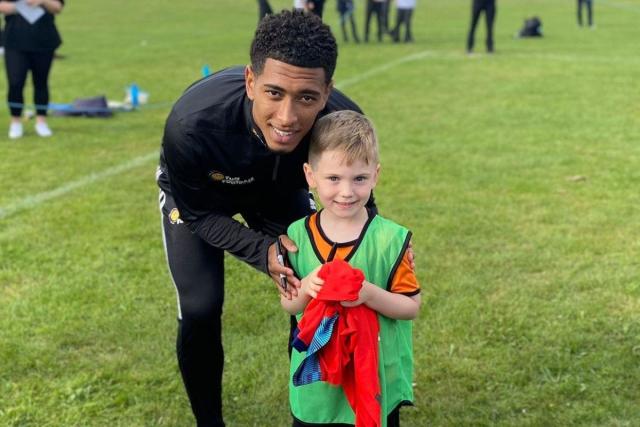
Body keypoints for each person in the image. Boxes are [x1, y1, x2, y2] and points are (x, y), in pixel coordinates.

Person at [157, 10, 367, 427]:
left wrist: (382, 246)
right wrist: (260, 250)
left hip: (278, 191)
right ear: (251, 82)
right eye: (273, 92)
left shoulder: (342, 124)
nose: (287, 117)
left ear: (328, 91)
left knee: (320, 295)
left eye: (307, 97)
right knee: (201, 307)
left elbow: (358, 204)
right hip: (205, 196)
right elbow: (197, 212)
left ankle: (308, 416)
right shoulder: (192, 124)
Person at [282, 110, 421, 427]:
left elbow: (411, 306)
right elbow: (288, 304)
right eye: (333, 178)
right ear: (310, 175)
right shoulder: (297, 236)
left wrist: (368, 294)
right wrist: (305, 288)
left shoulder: (390, 239)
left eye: (359, 178)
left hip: (373, 375)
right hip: (319, 382)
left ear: (376, 175)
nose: (346, 191)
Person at [0, 0, 64, 139]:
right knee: (15, 83)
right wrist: (19, 7)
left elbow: (58, 7)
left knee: (41, 82)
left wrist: (42, 1)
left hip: (43, 41)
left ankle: (41, 121)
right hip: (15, 42)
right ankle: (15, 122)